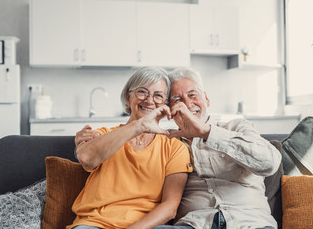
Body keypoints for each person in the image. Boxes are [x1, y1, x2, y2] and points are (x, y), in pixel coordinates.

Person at [153, 68, 282, 229]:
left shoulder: (237, 127)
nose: (187, 104)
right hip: (195, 223)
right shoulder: (169, 142)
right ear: (169, 110)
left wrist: (207, 132)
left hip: (250, 222)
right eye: (177, 100)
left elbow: (269, 163)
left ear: (206, 99)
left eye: (192, 95)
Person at [68, 67, 193, 229]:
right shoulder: (105, 135)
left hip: (146, 226)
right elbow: (86, 159)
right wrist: (139, 126)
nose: (149, 100)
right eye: (142, 92)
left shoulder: (174, 147)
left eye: (158, 95)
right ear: (128, 97)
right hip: (95, 223)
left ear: (165, 104)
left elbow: (170, 208)